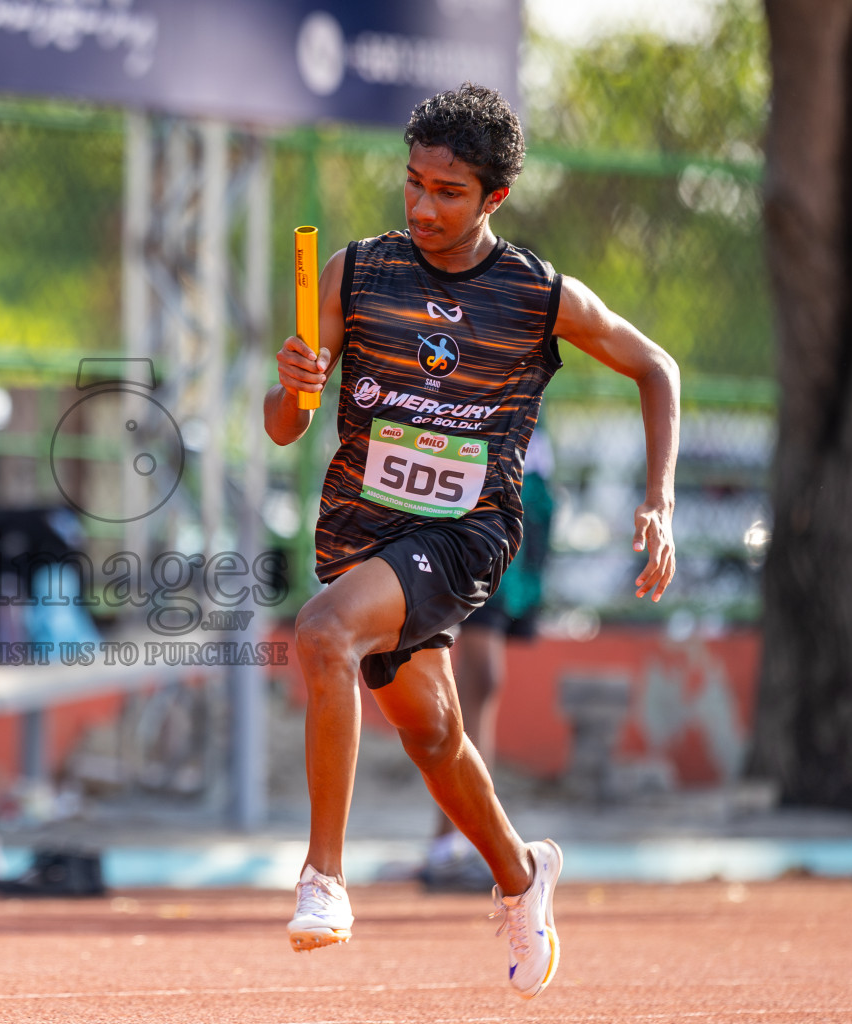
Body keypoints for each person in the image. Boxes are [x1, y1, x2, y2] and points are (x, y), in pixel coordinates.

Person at [264, 84, 678, 999]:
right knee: (434, 735)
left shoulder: (536, 293)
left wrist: (659, 499)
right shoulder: (354, 272)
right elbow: (286, 427)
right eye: (414, 182)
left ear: (495, 197)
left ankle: (323, 878)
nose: (423, 205)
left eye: (448, 192)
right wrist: (294, 385)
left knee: (324, 632)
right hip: (361, 529)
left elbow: (657, 366)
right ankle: (523, 875)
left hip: (465, 531)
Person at [420, 428, 552, 892]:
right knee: (476, 671)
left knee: (484, 676)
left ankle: (460, 841)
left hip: (523, 486)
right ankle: (454, 842)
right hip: (472, 480)